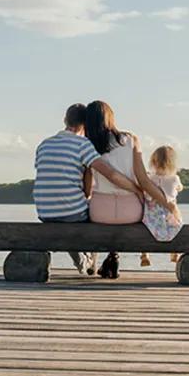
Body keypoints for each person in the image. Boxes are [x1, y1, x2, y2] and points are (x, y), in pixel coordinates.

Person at [33, 103, 143, 275]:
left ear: (65, 120)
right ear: (85, 124)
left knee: (73, 212)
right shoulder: (82, 145)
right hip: (72, 212)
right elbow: (110, 174)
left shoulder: (44, 145)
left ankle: (85, 261)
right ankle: (89, 262)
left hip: (45, 211)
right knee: (90, 213)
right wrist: (135, 188)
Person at [84, 100, 176, 278]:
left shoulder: (86, 145)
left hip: (100, 211)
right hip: (130, 210)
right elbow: (144, 180)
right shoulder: (130, 140)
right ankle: (113, 255)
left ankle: (105, 257)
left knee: (94, 212)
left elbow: (87, 189)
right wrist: (168, 205)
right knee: (125, 217)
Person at [140, 145, 185, 266]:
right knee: (176, 226)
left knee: (145, 231)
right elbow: (178, 189)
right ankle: (174, 252)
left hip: (152, 215)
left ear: (153, 162)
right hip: (169, 214)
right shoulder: (174, 179)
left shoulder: (150, 178)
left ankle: (145, 254)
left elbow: (147, 196)